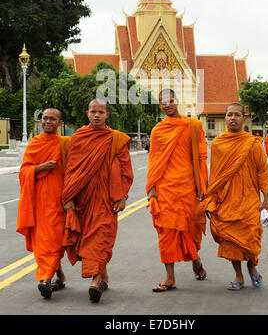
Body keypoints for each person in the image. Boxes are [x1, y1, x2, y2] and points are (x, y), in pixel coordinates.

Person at [61, 99, 134, 303]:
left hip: (107, 199)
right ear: (87, 113)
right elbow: (71, 170)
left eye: (101, 112)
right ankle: (103, 274)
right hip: (83, 199)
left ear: (107, 115)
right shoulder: (78, 138)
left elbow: (125, 171)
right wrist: (68, 197)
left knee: (100, 238)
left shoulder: (116, 139)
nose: (96, 115)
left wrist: (123, 196)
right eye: (93, 112)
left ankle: (95, 282)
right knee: (90, 239)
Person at [199, 103, 268, 290]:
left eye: (237, 115)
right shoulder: (217, 144)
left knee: (251, 236)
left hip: (249, 198)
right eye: (229, 114)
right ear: (225, 119)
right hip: (227, 200)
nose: (233, 118)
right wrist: (211, 198)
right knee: (230, 239)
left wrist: (266, 199)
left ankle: (252, 265)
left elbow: (262, 171)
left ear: (243, 119)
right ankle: (238, 276)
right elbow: (214, 175)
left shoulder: (253, 143)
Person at [146, 89, 208, 292]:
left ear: (177, 101)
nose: (167, 105)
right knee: (166, 232)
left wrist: (203, 186)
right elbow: (154, 160)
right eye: (163, 102)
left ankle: (195, 259)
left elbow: (201, 158)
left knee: (189, 229)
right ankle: (170, 278)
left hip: (189, 187)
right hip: (165, 188)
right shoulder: (158, 130)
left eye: (170, 100)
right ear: (160, 106)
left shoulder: (193, 126)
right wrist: (152, 188)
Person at [16, 108, 71, 299]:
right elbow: (23, 172)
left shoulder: (65, 144)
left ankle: (45, 279)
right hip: (38, 201)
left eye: (52, 119)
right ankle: (60, 276)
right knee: (44, 243)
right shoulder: (34, 144)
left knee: (54, 240)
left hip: (59, 201)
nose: (48, 121)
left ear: (60, 123)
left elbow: (74, 171)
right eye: (45, 118)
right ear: (40, 121)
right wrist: (40, 168)